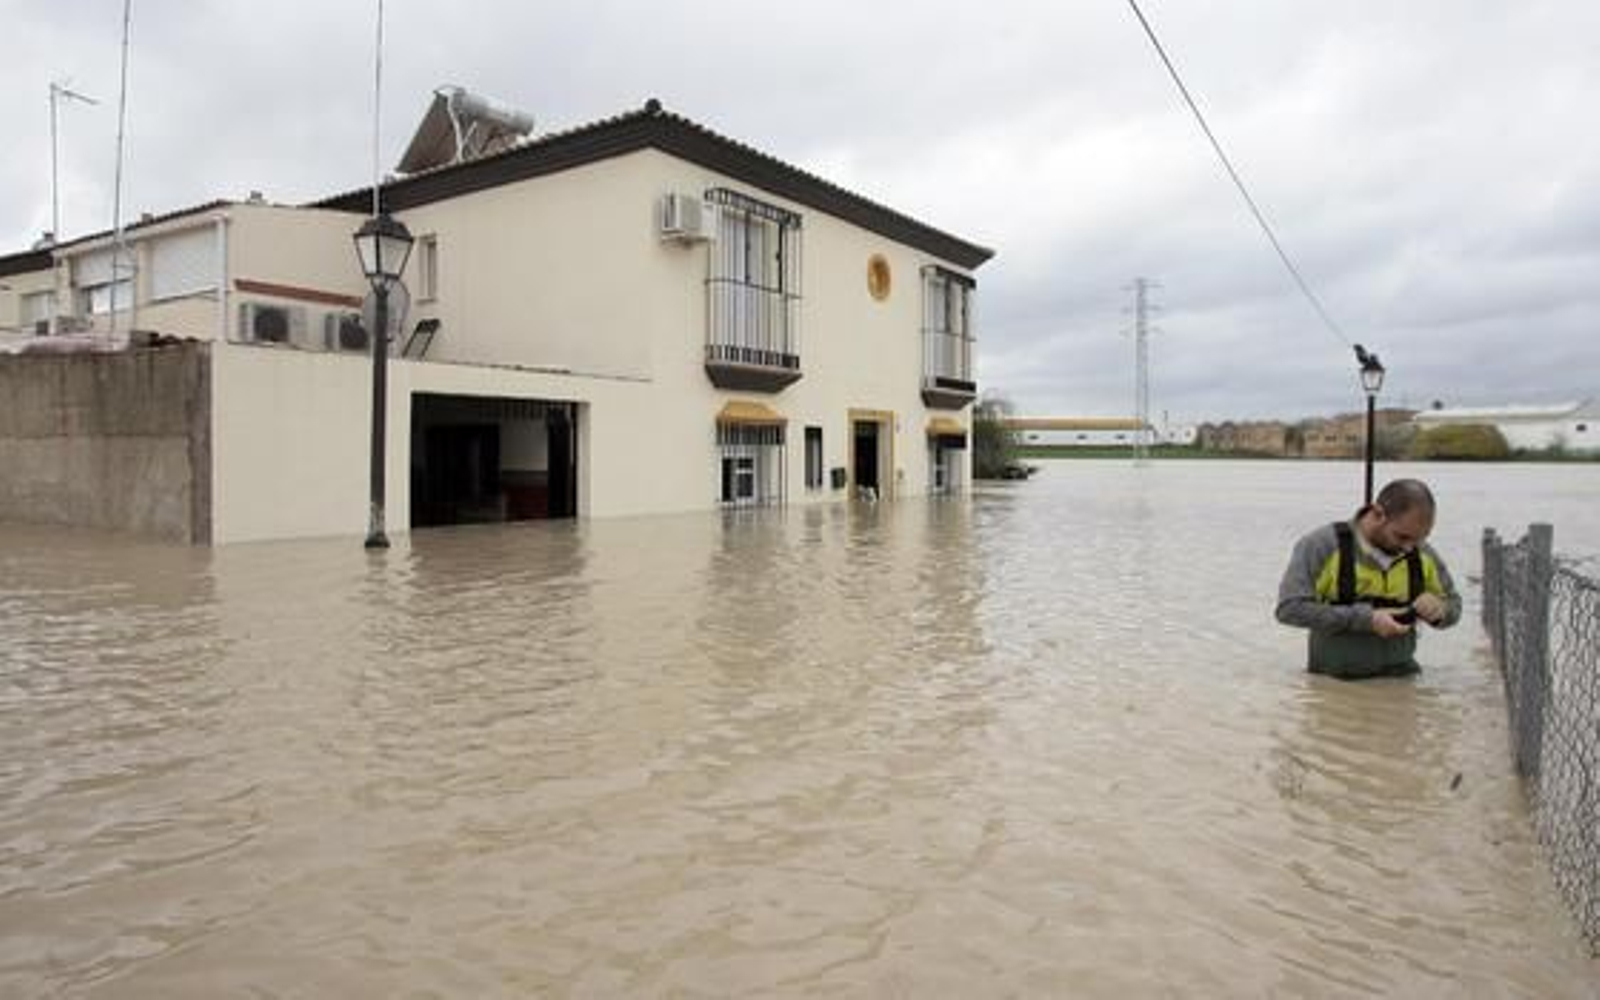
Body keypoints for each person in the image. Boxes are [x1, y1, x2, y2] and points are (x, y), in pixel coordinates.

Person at [1276, 478, 1462, 679]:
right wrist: (1367, 619)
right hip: (1332, 684)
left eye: (1419, 539)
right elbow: (1289, 609)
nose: (1409, 548)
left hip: (1403, 680)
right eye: (1402, 537)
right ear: (1377, 514)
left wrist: (1439, 611)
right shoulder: (1321, 545)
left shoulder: (1423, 553)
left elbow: (1454, 606)